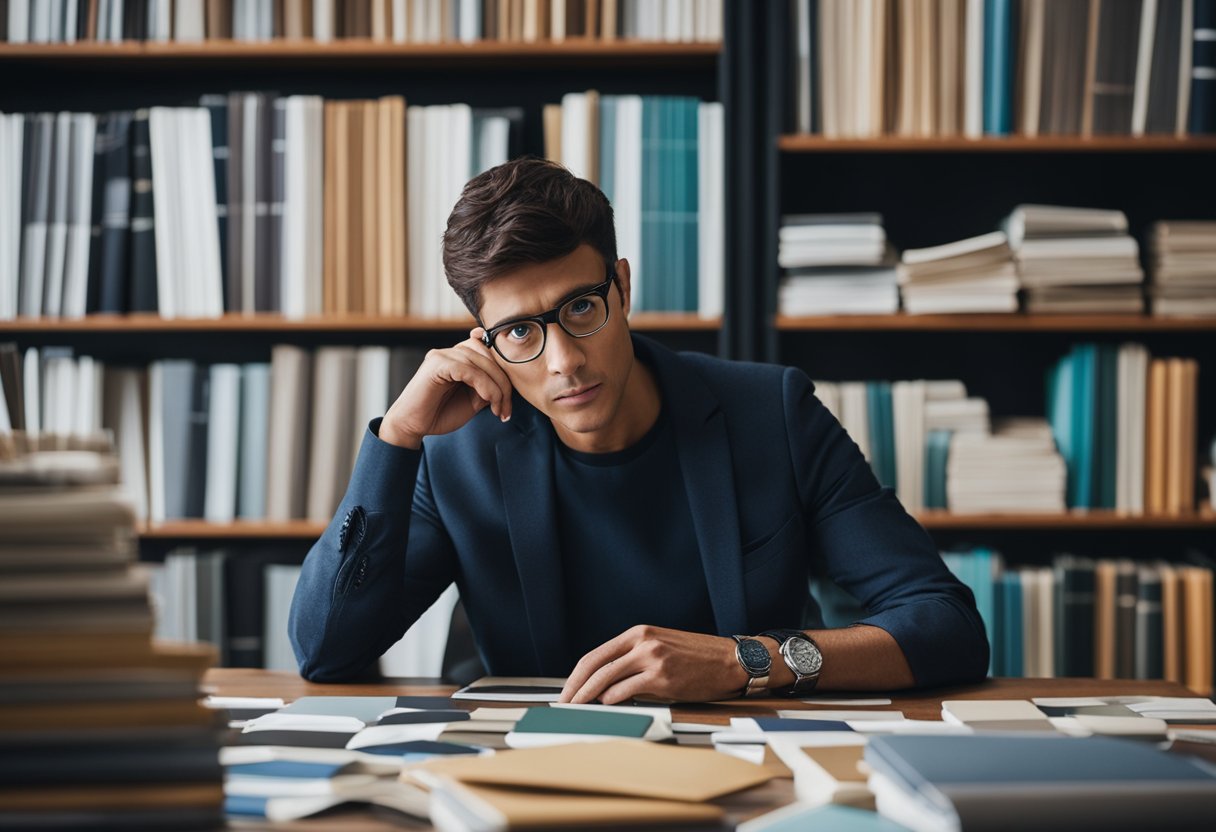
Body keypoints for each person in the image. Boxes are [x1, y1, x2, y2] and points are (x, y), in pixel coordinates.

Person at [289, 158, 989, 703]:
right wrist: (400, 438)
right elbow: (325, 653)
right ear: (485, 342)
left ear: (622, 287)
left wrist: (747, 660)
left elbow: (945, 625)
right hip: (534, 774)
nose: (562, 360)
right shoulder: (456, 457)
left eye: (582, 308)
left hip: (749, 755)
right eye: (520, 332)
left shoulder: (771, 413)